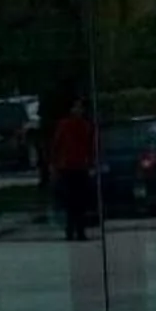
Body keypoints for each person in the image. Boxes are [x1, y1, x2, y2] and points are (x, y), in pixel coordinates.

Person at [48, 96, 99, 242]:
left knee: (80, 202)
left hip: (80, 167)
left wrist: (91, 163)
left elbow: (91, 147)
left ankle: (79, 231)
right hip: (67, 168)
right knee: (71, 202)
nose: (79, 110)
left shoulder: (85, 126)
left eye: (80, 108)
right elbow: (56, 146)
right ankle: (71, 231)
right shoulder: (65, 125)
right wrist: (54, 165)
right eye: (76, 107)